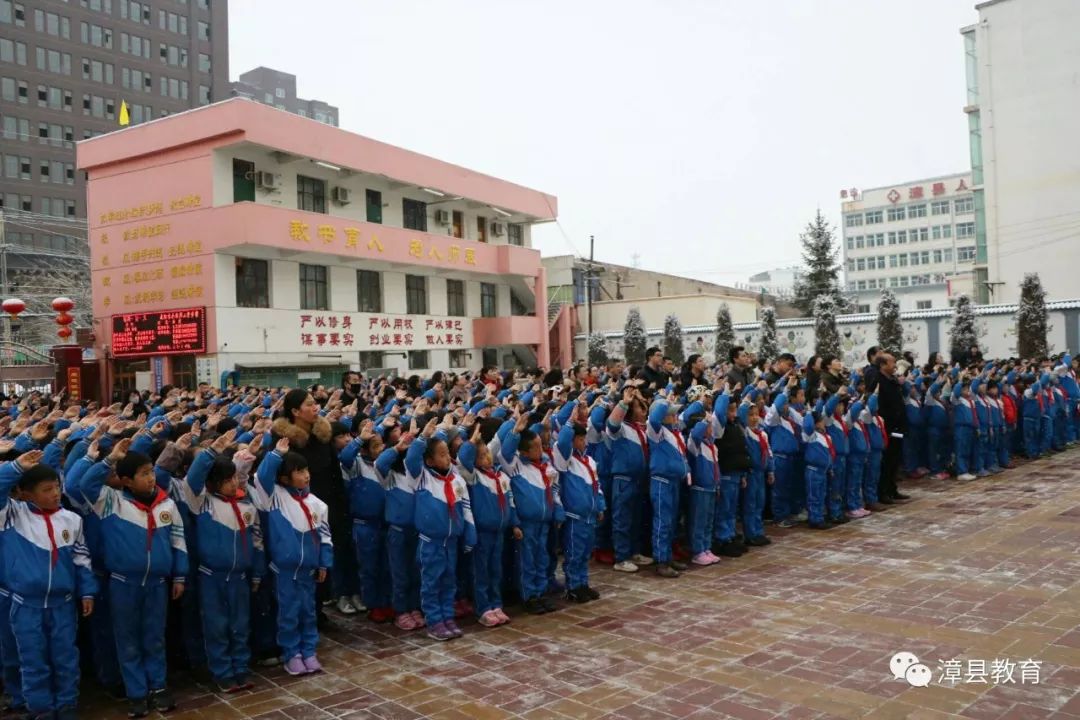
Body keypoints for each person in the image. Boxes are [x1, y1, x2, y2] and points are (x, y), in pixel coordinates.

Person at [77, 438, 188, 718]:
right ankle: (136, 692)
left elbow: (179, 542)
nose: (151, 478)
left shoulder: (167, 505)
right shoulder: (111, 502)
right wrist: (109, 459)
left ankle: (158, 687)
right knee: (127, 639)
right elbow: (86, 485)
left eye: (152, 472)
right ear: (126, 481)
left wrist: (180, 576)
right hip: (123, 584)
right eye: (143, 474)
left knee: (154, 637)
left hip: (157, 584)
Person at [0, 455, 96, 720]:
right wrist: (16, 466)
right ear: (26, 494)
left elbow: (81, 557)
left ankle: (67, 705)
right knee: (33, 661)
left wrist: (86, 590)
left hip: (63, 604)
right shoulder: (12, 516)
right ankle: (40, 709)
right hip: (26, 605)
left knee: (65, 658)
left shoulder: (71, 520)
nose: (55, 493)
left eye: (56, 486)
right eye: (46, 489)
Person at [183, 434, 265, 693]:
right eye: (226, 481)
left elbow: (257, 542)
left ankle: (240, 667)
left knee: (240, 625)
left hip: (240, 577)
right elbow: (192, 481)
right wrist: (211, 451)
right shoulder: (203, 504)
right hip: (212, 577)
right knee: (216, 626)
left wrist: (256, 573)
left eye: (234, 479)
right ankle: (222, 672)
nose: (233, 484)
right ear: (213, 484)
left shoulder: (246, 506)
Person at [271, 390, 353, 620]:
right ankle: (298, 617)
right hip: (295, 509)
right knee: (301, 560)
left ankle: (317, 610)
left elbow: (334, 473)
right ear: (295, 411)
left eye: (315, 403)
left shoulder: (322, 434)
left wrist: (339, 507)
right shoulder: (282, 440)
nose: (315, 407)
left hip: (325, 506)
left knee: (322, 560)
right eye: (309, 404)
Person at [254, 440, 333, 676]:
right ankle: (292, 654)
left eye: (306, 470)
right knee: (288, 613)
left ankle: (309, 651)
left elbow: (326, 537)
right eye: (299, 472)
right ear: (285, 479)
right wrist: (277, 453)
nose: (306, 475)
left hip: (308, 570)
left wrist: (324, 562)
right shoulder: (274, 497)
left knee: (308, 612)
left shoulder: (317, 504)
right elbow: (261, 476)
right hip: (284, 570)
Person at [409, 419, 476, 641]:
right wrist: (422, 438)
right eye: (441, 455)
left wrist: (469, 531)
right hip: (431, 542)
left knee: (449, 580)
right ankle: (434, 620)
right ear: (429, 460)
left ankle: (448, 617)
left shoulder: (456, 478)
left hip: (452, 541)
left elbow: (466, 507)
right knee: (432, 581)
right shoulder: (422, 478)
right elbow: (411, 459)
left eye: (448, 453)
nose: (447, 457)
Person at [500, 412, 564, 615]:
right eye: (535, 447)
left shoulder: (544, 464)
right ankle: (529, 595)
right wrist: (515, 431)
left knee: (542, 558)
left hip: (544, 521)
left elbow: (554, 489)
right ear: (525, 452)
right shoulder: (515, 465)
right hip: (527, 523)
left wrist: (558, 511)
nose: (540, 448)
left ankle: (540, 591)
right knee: (527, 560)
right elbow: (506, 452)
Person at [458, 421, 520, 626]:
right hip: (483, 532)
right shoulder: (474, 477)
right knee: (481, 571)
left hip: (499, 532)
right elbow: (463, 461)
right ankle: (483, 607)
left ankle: (496, 604)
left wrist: (515, 523)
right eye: (482, 455)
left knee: (496, 570)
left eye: (487, 453)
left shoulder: (501, 476)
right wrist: (471, 443)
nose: (487, 457)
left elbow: (510, 502)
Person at [552, 404, 605, 603]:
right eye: (580, 439)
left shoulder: (589, 461)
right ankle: (573, 586)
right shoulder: (565, 460)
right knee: (574, 553)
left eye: (584, 439)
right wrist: (570, 422)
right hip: (574, 517)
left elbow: (597, 485)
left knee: (585, 553)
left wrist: (600, 505)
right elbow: (563, 442)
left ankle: (583, 583)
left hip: (589, 515)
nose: (584, 443)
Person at [645, 397, 690, 578]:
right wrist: (663, 400)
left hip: (674, 481)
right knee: (662, 521)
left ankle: (668, 556)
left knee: (671, 521)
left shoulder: (674, 433)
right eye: (671, 414)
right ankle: (661, 560)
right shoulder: (656, 431)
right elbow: (654, 418)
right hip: (661, 481)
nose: (675, 417)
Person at [874, 354, 909, 502]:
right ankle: (883, 492)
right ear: (882, 365)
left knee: (895, 458)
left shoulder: (892, 380)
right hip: (887, 426)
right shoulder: (878, 380)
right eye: (892, 362)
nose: (895, 365)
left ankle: (892, 488)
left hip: (897, 425)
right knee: (887, 460)